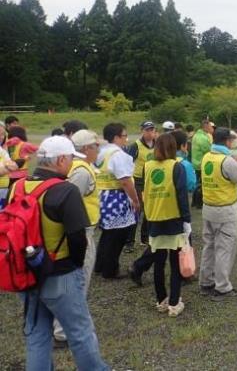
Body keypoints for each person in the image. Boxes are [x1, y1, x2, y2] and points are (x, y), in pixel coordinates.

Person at [8, 136, 108, 370]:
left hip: (28, 272)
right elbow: (77, 237)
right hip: (60, 273)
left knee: (37, 334)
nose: (72, 163)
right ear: (60, 159)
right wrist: (75, 266)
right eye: (71, 158)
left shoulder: (18, 186)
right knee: (79, 333)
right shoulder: (66, 190)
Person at [53, 129, 102, 347]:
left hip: (82, 229)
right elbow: (69, 202)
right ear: (86, 149)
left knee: (75, 281)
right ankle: (65, 331)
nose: (98, 149)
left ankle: (66, 326)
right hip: (81, 231)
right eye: (95, 146)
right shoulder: (81, 171)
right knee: (78, 281)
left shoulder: (80, 167)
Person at [143, 133, 191, 317]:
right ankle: (174, 302)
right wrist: (187, 220)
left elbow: (145, 191)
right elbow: (181, 196)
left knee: (158, 262)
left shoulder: (147, 166)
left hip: (154, 219)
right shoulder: (176, 166)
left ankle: (161, 300)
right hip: (173, 219)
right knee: (175, 261)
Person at [199, 128, 237, 300]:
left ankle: (206, 281)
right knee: (224, 249)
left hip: (208, 208)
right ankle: (222, 287)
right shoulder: (227, 160)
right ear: (227, 141)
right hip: (224, 210)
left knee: (209, 246)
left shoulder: (206, 157)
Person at [94, 123, 140, 279]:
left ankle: (100, 265)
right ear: (116, 137)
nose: (126, 139)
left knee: (107, 233)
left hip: (101, 196)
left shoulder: (100, 153)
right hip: (116, 198)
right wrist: (135, 200)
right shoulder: (118, 155)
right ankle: (110, 269)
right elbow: (125, 181)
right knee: (118, 236)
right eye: (124, 136)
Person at [125, 121, 157, 251]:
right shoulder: (135, 146)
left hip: (151, 180)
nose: (150, 133)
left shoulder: (157, 144)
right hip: (137, 180)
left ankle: (145, 238)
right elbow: (128, 162)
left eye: (152, 130)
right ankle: (129, 242)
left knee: (150, 210)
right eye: (147, 130)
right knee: (137, 210)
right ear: (142, 131)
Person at [191, 119, 214, 208]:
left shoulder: (196, 135)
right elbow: (209, 149)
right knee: (201, 184)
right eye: (210, 126)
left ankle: (194, 202)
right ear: (206, 127)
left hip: (195, 162)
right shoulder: (203, 138)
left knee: (197, 183)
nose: (211, 128)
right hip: (201, 163)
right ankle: (199, 203)